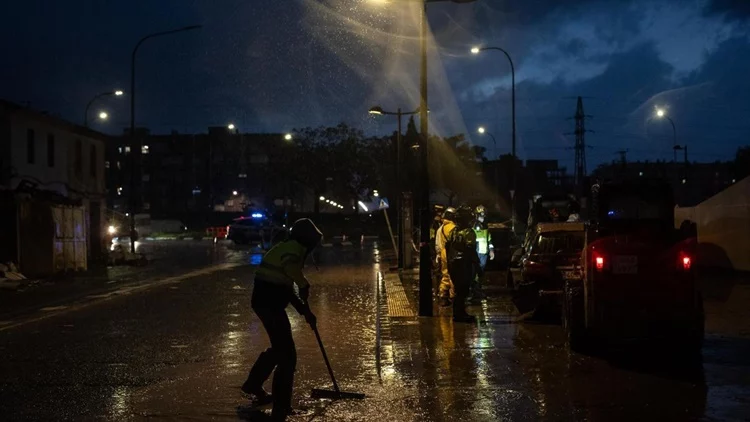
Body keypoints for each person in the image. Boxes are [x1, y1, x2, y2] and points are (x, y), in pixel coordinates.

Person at [241, 218, 321, 421]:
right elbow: (291, 275)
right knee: (287, 355)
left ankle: (253, 385)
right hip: (268, 303)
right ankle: (281, 406)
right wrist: (304, 284)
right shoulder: (293, 250)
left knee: (280, 350)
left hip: (267, 302)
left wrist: (305, 311)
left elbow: (287, 288)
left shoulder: (288, 247)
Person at [446, 205, 481, 322]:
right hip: (464, 265)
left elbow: (447, 248)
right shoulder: (468, 232)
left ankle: (458, 313)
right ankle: (459, 314)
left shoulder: (453, 232)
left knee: (458, 290)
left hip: (453, 264)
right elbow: (471, 250)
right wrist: (477, 265)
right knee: (463, 290)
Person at [435, 207, 457, 307]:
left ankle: (443, 296)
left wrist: (438, 254)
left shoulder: (441, 228)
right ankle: (453, 297)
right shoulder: (453, 227)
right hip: (451, 253)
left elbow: (437, 243)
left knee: (445, 275)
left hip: (443, 252)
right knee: (454, 275)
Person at [472, 205, 494, 300]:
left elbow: (489, 239)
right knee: (477, 273)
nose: (483, 217)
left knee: (480, 273)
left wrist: (491, 250)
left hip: (483, 252)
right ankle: (475, 292)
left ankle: (477, 290)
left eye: (484, 215)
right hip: (477, 253)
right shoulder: (474, 226)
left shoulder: (485, 226)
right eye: (481, 215)